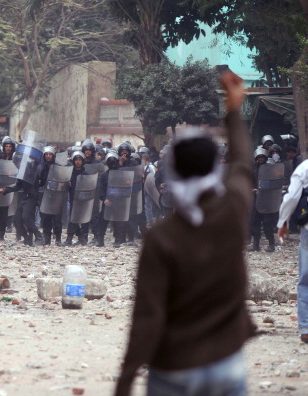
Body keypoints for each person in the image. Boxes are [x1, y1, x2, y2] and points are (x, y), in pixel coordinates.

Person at [114, 71, 255, 396]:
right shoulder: (232, 210)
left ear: (172, 170)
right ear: (211, 167)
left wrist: (126, 379)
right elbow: (241, 163)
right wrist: (233, 110)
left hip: (172, 368)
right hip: (226, 362)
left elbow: (148, 316)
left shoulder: (161, 236)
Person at [277, 157, 308, 344]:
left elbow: (291, 197)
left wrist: (282, 222)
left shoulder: (304, 168)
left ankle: (305, 327)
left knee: (305, 280)